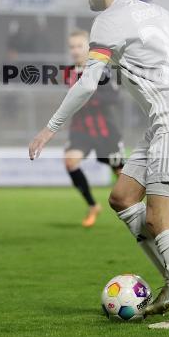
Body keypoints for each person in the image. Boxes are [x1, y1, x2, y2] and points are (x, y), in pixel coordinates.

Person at [28, 0, 169, 330]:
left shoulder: (106, 23)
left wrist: (50, 127)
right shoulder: (155, 12)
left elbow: (87, 84)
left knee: (160, 217)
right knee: (122, 198)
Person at [61, 29, 126, 227]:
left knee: (121, 173)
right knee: (70, 161)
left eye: (79, 46)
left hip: (105, 130)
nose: (75, 50)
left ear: (88, 48)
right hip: (81, 129)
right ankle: (93, 205)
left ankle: (138, 208)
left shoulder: (101, 70)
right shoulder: (67, 72)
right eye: (72, 46)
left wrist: (90, 95)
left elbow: (114, 97)